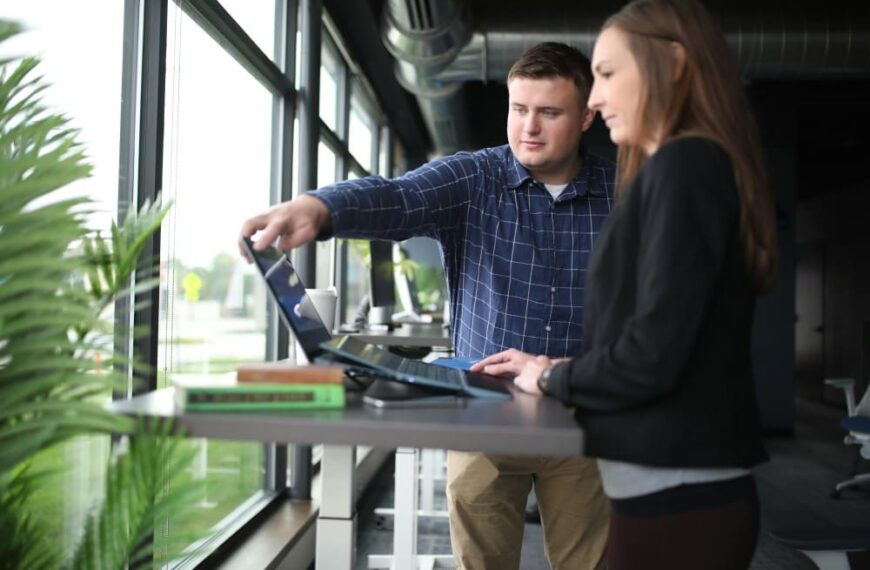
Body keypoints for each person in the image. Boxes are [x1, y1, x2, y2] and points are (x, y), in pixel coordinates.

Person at [240, 42, 613, 570]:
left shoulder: (623, 193)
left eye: (549, 113)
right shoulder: (474, 178)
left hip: (583, 414)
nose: (529, 127)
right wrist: (319, 207)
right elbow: (396, 198)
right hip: (483, 415)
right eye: (519, 109)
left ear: (587, 116)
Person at [471, 1, 778, 569]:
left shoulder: (685, 167)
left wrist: (550, 376)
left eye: (608, 73)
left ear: (675, 64)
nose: (593, 98)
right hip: (667, 494)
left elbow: (649, 357)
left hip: (680, 499)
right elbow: (661, 342)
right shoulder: (685, 167)